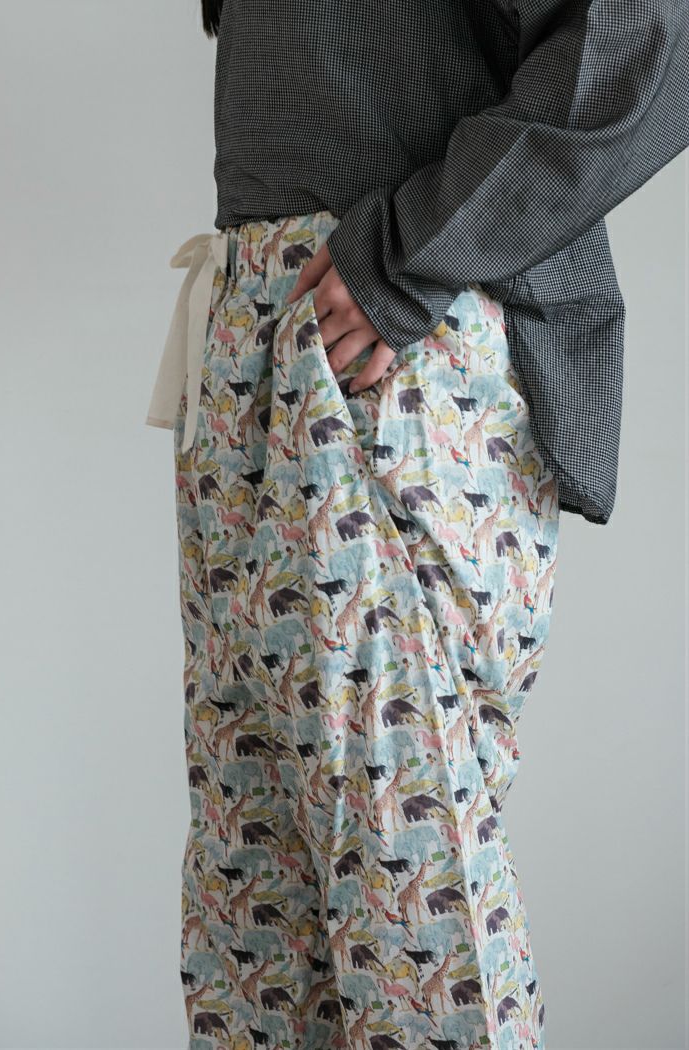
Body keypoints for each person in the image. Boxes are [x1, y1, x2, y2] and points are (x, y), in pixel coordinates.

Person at [144, 2, 689, 1046]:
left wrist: (414, 250)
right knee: (252, 911)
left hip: (388, 346)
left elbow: (641, 30)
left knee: (409, 905)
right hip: (258, 318)